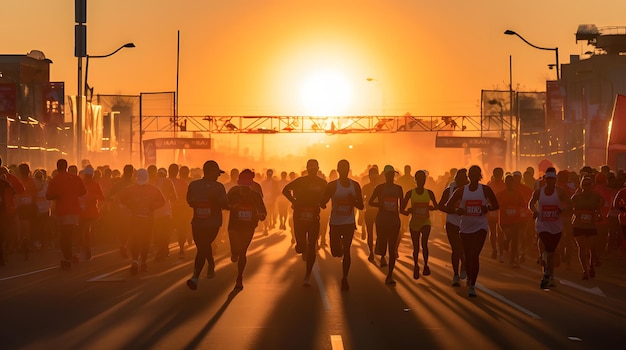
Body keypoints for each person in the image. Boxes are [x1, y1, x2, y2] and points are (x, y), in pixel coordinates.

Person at [445, 165, 499, 297]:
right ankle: (469, 277)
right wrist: (458, 211)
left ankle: (472, 285)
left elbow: (496, 205)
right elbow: (448, 206)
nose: (474, 177)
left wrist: (487, 208)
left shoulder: (485, 189)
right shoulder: (462, 191)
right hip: (465, 229)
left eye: (476, 174)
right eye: (472, 174)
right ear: (469, 176)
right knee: (468, 256)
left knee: (474, 255)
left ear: (479, 176)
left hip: (481, 227)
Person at [282, 159, 327, 287]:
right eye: (311, 169)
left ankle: (307, 275)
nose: (313, 171)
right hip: (299, 216)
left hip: (314, 217)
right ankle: (301, 246)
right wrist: (293, 201)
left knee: (312, 244)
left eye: (315, 169)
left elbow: (327, 195)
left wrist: (323, 203)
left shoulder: (322, 183)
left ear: (317, 169)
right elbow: (285, 190)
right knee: (301, 246)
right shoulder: (300, 181)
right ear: (307, 169)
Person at [321, 159, 364, 291]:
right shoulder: (333, 185)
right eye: (342, 168)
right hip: (335, 223)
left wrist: (352, 201)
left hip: (348, 223)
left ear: (349, 170)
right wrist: (319, 202)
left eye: (346, 168)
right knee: (335, 252)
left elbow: (361, 206)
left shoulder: (355, 185)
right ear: (338, 170)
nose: (344, 170)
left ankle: (345, 277)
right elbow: (323, 201)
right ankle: (337, 246)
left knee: (347, 251)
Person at [186, 160, 229, 290]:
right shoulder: (194, 185)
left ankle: (195, 277)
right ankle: (210, 264)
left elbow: (189, 200)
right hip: (199, 222)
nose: (218, 176)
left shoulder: (217, 186)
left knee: (203, 246)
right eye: (217, 173)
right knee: (202, 246)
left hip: (212, 223)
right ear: (209, 172)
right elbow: (189, 200)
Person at [529, 167, 572, 288]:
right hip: (542, 224)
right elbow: (531, 203)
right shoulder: (538, 192)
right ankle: (546, 273)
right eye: (548, 179)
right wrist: (534, 211)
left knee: (551, 253)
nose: (550, 182)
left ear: (555, 180)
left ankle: (550, 276)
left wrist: (561, 209)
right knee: (547, 247)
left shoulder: (560, 192)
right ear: (545, 180)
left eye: (553, 179)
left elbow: (570, 204)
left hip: (556, 226)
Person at [119, 168, 166, 274]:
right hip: (147, 219)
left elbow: (122, 199)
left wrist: (129, 205)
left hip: (136, 218)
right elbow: (162, 202)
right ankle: (143, 262)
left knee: (136, 240)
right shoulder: (154, 189)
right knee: (145, 241)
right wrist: (153, 207)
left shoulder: (130, 188)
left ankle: (135, 260)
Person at [227, 169, 267, 290]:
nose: (244, 188)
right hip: (234, 225)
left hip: (249, 227)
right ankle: (234, 252)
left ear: (250, 183)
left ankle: (239, 277)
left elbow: (263, 211)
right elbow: (224, 204)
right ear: (238, 182)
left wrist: (261, 216)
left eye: (246, 184)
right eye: (242, 184)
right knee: (236, 250)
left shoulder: (255, 195)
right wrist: (233, 207)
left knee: (243, 252)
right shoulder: (233, 192)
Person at [46, 159, 87, 270]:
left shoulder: (54, 180)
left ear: (57, 167)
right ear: (66, 166)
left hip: (62, 211)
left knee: (64, 236)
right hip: (74, 211)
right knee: (70, 234)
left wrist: (58, 196)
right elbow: (83, 192)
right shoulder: (76, 178)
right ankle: (72, 255)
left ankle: (67, 257)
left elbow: (48, 196)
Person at [369, 165, 404, 285]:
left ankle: (390, 275)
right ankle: (381, 253)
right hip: (382, 220)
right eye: (389, 174)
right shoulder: (379, 188)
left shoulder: (398, 189)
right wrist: (380, 205)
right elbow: (370, 202)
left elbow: (403, 206)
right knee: (382, 246)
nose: (391, 176)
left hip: (394, 221)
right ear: (385, 175)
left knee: (392, 249)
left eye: (393, 174)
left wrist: (412, 210)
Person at [400, 170, 438, 279]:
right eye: (419, 179)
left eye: (423, 179)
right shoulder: (410, 193)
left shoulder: (429, 193)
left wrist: (431, 208)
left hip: (425, 222)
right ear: (415, 180)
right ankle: (416, 265)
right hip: (414, 223)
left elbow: (437, 206)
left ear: (425, 180)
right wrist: (409, 210)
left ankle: (425, 265)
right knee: (416, 247)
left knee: (424, 244)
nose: (422, 181)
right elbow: (402, 210)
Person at [570, 176, 604, 280]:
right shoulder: (576, 197)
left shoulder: (596, 196)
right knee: (582, 248)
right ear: (581, 186)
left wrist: (599, 214)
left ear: (591, 185)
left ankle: (591, 266)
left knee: (592, 248)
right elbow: (569, 207)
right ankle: (584, 270)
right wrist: (577, 213)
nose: (587, 187)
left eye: (589, 184)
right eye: (584, 185)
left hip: (590, 225)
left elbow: (600, 204)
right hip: (578, 225)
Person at [438, 168, 468, 286]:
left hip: (467, 224)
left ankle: (464, 267)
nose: (462, 181)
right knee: (456, 249)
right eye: (459, 178)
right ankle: (455, 275)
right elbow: (440, 206)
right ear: (455, 179)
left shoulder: (471, 190)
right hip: (452, 223)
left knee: (465, 250)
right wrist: (454, 210)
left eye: (464, 178)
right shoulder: (449, 190)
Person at [497, 174, 527, 267]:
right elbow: (494, 204)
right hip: (504, 220)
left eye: (511, 182)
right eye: (507, 182)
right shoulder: (500, 194)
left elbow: (523, 205)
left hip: (516, 220)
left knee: (515, 239)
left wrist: (523, 219)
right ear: (505, 183)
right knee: (508, 236)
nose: (509, 184)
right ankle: (505, 245)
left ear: (513, 183)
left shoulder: (518, 194)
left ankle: (513, 259)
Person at [79, 165, 104, 261]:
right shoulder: (81, 184)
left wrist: (99, 209)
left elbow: (101, 198)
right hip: (82, 212)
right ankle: (85, 248)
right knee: (83, 231)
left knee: (86, 230)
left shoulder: (95, 184)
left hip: (91, 213)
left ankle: (87, 249)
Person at [362, 167, 381, 263]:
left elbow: (361, 202)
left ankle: (372, 253)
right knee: (379, 234)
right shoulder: (380, 187)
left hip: (371, 212)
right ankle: (375, 253)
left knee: (371, 233)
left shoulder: (366, 187)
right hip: (376, 212)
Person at [487, 167, 506, 262]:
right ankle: (500, 252)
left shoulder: (489, 185)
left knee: (493, 232)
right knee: (499, 233)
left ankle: (495, 249)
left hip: (493, 211)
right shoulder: (505, 185)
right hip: (499, 211)